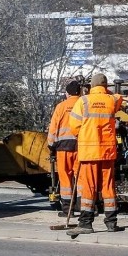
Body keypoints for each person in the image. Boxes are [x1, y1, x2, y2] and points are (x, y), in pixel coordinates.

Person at [65, 73, 124, 236]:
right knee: (108, 187)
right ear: (106, 87)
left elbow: (74, 125)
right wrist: (106, 93)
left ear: (91, 86)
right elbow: (119, 97)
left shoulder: (83, 101)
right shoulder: (112, 100)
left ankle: (85, 223)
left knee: (89, 187)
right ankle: (111, 223)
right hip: (107, 152)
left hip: (89, 152)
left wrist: (84, 135)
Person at [46, 77, 82, 216]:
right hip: (80, 147)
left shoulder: (61, 107)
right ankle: (82, 207)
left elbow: (53, 129)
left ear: (67, 94)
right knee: (80, 178)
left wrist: (51, 146)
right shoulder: (83, 105)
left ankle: (68, 210)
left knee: (65, 178)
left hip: (63, 148)